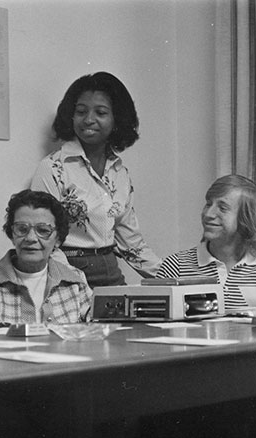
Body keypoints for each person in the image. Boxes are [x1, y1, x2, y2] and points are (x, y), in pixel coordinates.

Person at [30, 71, 161, 288]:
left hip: (111, 272)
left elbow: (130, 242)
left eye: (100, 112)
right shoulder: (52, 168)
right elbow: (44, 239)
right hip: (66, 274)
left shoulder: (120, 173)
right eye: (81, 111)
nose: (88, 119)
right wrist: (78, 284)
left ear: (117, 119)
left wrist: (175, 280)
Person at [0, 189, 92, 324]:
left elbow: (94, 329)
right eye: (22, 229)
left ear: (58, 239)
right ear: (12, 234)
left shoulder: (76, 279)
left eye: (43, 230)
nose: (31, 238)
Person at [156, 174, 256, 310]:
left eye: (223, 208)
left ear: (247, 218)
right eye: (208, 204)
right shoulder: (174, 267)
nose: (208, 214)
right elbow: (153, 326)